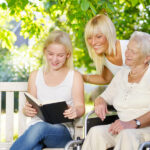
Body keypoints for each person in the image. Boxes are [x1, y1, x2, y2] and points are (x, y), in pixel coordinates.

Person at [10, 30, 85, 150]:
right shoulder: (35, 75)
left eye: (60, 55)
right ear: (45, 51)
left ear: (68, 55)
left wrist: (75, 111)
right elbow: (29, 107)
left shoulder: (74, 76)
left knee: (40, 128)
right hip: (35, 131)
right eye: (51, 54)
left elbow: (81, 107)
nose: (55, 59)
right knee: (34, 146)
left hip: (61, 132)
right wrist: (27, 111)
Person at [82, 31, 150, 150]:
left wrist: (135, 123)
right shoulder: (121, 74)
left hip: (144, 130)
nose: (127, 54)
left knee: (126, 135)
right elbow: (104, 97)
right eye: (127, 49)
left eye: (133, 52)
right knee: (95, 132)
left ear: (146, 58)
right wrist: (100, 101)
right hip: (121, 127)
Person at [82, 14, 128, 85]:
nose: (93, 42)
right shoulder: (104, 59)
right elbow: (105, 79)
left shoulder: (129, 46)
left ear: (109, 34)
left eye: (99, 37)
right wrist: (80, 77)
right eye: (89, 38)